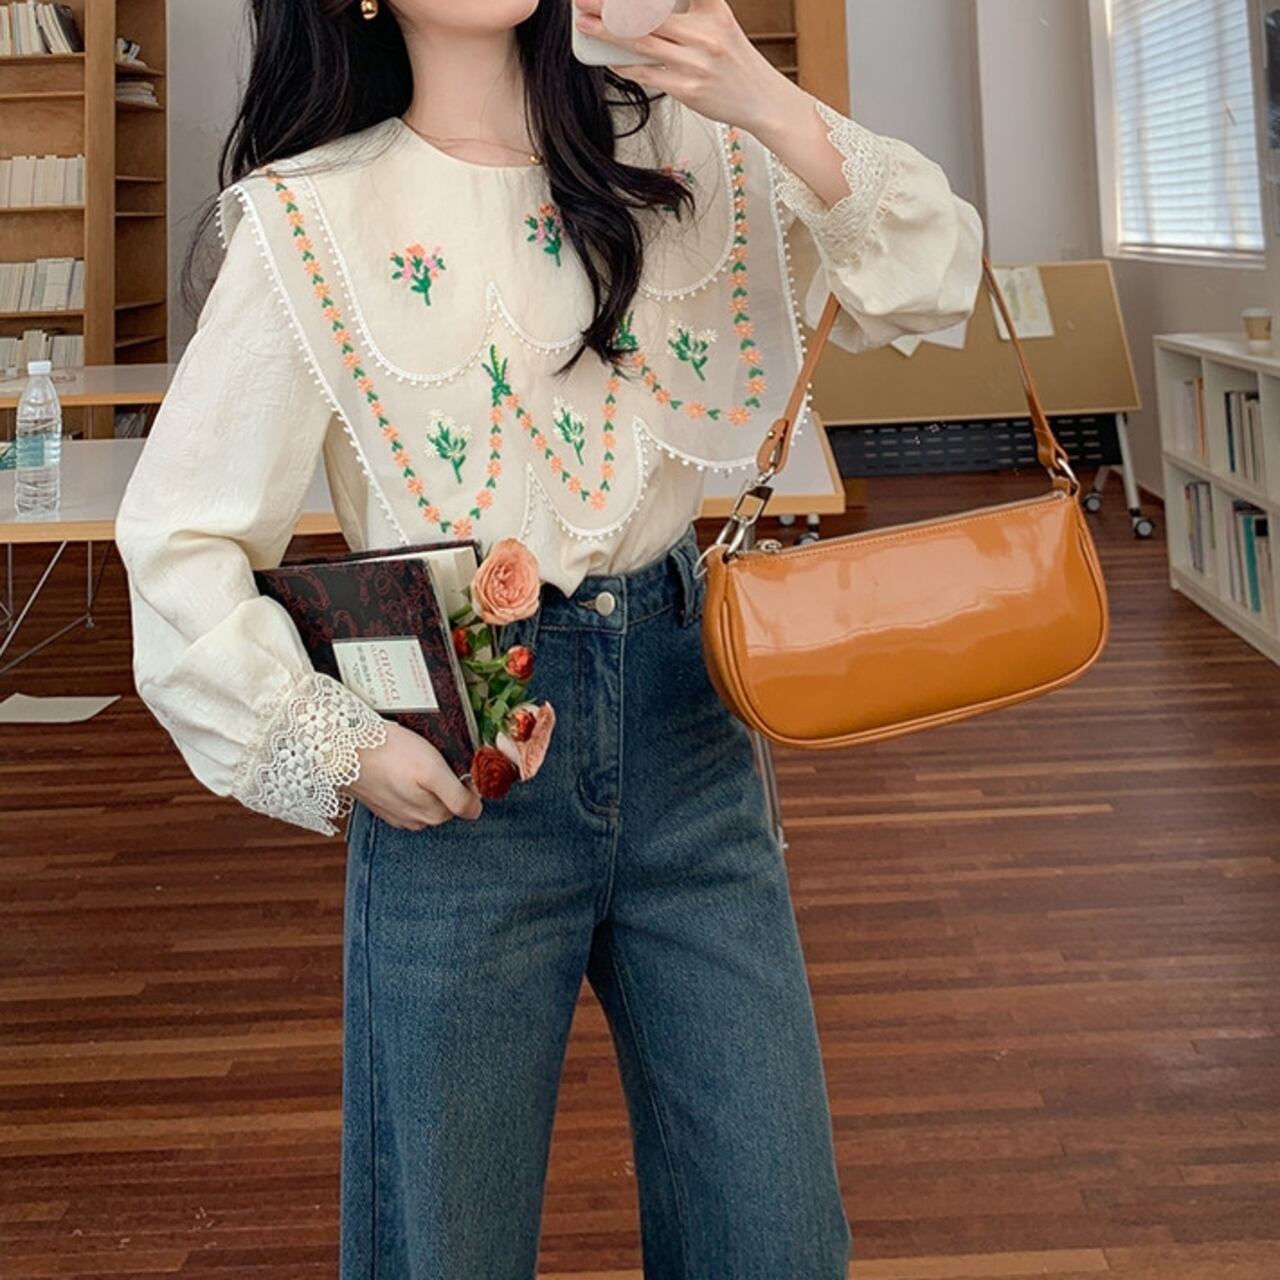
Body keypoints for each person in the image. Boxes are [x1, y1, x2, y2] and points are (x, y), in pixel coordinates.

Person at [114, 1, 984, 1275]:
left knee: (775, 1235)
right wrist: (337, 741)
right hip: (462, 749)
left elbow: (932, 275)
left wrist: (759, 93)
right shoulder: (312, 216)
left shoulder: (684, 149)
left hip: (690, 729)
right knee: (444, 1245)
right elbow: (178, 539)